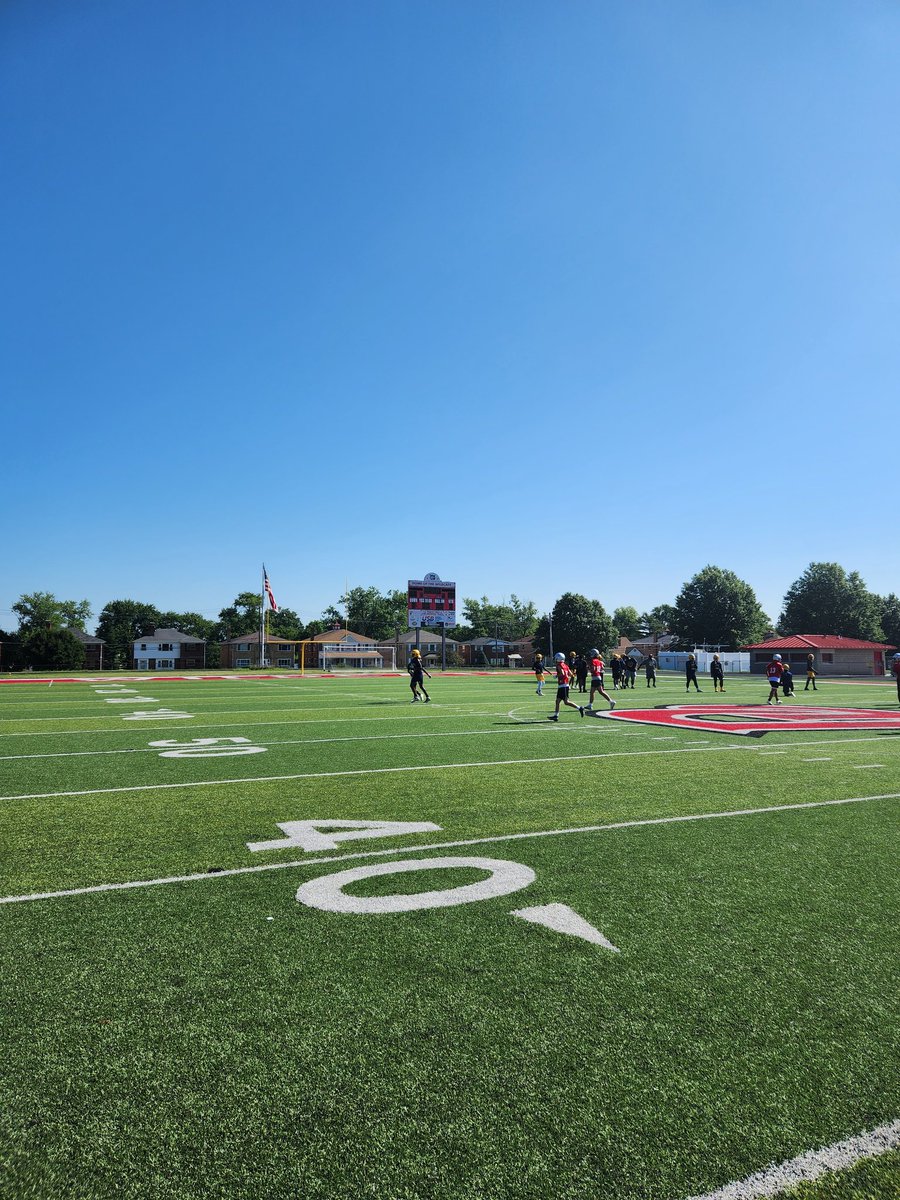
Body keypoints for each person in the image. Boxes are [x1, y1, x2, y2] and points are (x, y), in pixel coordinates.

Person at [547, 651, 584, 721]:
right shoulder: (565, 665)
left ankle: (580, 708)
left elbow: (563, 673)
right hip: (565, 685)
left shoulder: (559, 665)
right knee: (558, 701)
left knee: (566, 702)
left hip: (563, 685)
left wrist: (557, 676)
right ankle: (556, 715)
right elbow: (571, 674)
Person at [585, 648, 616, 714]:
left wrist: (589, 668)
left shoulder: (593, 660)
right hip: (598, 677)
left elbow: (593, 669)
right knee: (599, 691)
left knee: (594, 692)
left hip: (595, 677)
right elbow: (601, 668)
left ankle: (591, 704)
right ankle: (610, 701)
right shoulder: (598, 661)